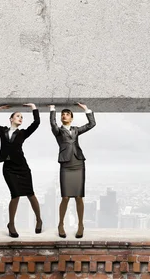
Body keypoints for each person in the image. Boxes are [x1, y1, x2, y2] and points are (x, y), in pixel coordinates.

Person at [0, 103, 43, 238]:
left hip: (22, 167)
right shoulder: (2, 131)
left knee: (30, 194)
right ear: (11, 119)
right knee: (15, 195)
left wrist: (33, 107)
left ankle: (39, 220)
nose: (20, 118)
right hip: (8, 168)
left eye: (22, 117)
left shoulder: (23, 133)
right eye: (18, 116)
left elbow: (37, 122)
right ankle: (11, 224)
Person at [48, 102, 96, 238]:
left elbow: (91, 124)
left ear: (71, 118)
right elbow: (52, 123)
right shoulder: (58, 131)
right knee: (65, 197)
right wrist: (52, 109)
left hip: (78, 163)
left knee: (79, 197)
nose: (64, 116)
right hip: (66, 165)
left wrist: (86, 109)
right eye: (63, 114)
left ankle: (81, 225)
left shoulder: (76, 130)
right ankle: (61, 224)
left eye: (67, 114)